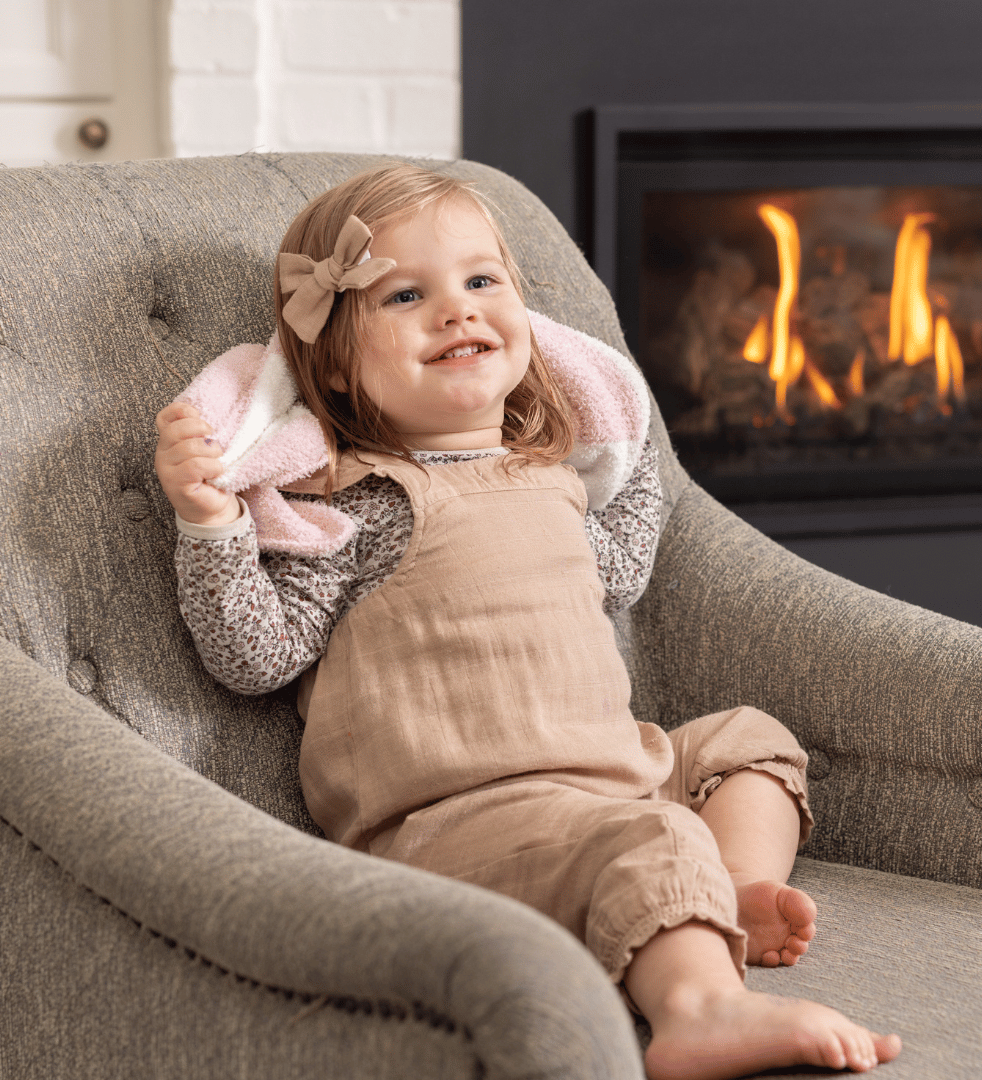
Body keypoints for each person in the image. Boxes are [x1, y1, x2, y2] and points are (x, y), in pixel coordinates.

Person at [154, 164, 901, 1079]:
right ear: (339, 362)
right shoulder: (358, 506)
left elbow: (620, 573)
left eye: (480, 282)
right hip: (461, 824)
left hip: (613, 783)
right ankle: (704, 1008)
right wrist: (214, 525)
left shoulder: (553, 475)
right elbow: (255, 657)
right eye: (404, 294)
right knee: (648, 838)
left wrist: (629, 450)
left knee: (750, 741)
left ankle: (731, 896)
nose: (456, 311)